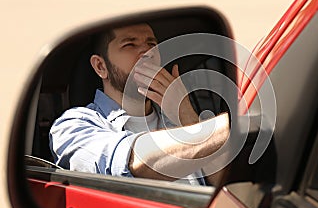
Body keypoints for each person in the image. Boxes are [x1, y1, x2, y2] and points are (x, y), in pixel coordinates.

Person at [49, 23, 230, 185]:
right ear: (100, 67)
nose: (147, 53)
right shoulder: (73, 126)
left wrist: (185, 112)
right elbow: (130, 162)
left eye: (151, 44)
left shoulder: (179, 118)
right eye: (130, 44)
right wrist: (226, 127)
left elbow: (223, 182)